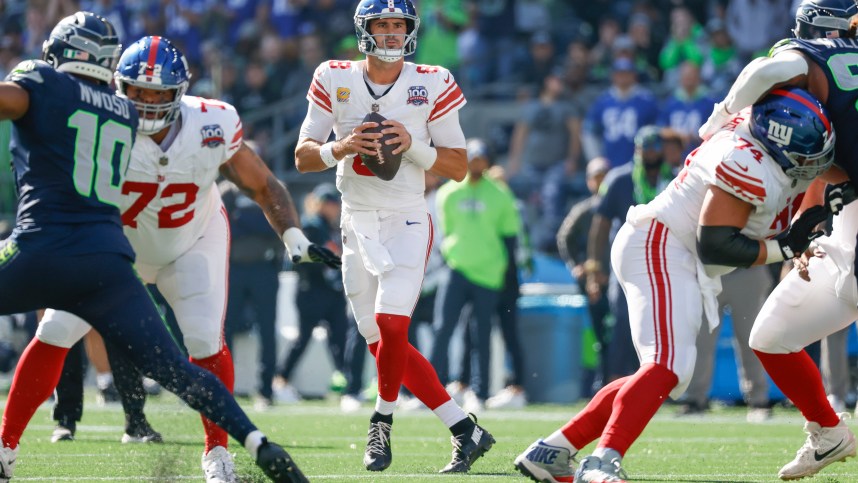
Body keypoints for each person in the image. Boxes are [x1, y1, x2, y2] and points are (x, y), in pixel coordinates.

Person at [0, 15, 318, 482]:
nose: (147, 103)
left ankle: (218, 455)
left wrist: (293, 236)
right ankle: (6, 447)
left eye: (158, 94)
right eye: (137, 92)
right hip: (114, 249)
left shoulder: (210, 121)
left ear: (180, 91)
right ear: (115, 83)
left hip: (189, 240)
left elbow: (262, 184)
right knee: (55, 330)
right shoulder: (103, 113)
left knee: (204, 341)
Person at [514, 86, 837, 483]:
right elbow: (717, 244)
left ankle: (554, 450)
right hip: (662, 243)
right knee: (667, 364)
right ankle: (602, 461)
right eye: (803, 157)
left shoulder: (757, 140)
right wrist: (784, 247)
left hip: (676, 252)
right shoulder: (743, 160)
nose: (808, 167)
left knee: (672, 370)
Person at [293, 0, 494, 474]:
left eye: (397, 24)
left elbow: (459, 167)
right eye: (381, 24)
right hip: (355, 219)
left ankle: (380, 425)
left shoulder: (433, 80)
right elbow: (302, 157)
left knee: (392, 326)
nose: (389, 33)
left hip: (406, 217)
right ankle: (466, 431)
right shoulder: (334, 75)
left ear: (410, 29)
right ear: (364, 29)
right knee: (380, 340)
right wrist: (339, 146)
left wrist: (413, 144)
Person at [695, 1, 858, 479]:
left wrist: (721, 115)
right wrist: (810, 225)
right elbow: (835, 172)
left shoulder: (812, 57)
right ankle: (829, 434)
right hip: (848, 216)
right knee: (772, 336)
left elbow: (773, 67)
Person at [430, 138, 522, 413]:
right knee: (442, 328)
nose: (476, 163)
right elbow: (447, 231)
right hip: (456, 268)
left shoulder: (500, 194)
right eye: (472, 157)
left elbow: (509, 237)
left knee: (481, 334)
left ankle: (479, 393)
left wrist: (506, 275)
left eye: (481, 158)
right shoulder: (447, 193)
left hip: (489, 274)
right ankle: (431, 389)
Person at [273, 183, 348, 404]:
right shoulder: (310, 225)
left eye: (335, 203)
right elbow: (304, 258)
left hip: (331, 291)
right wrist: (333, 259)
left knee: (340, 339)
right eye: (329, 203)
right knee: (303, 338)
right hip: (311, 290)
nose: (334, 208)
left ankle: (345, 383)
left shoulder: (332, 227)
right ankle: (281, 379)